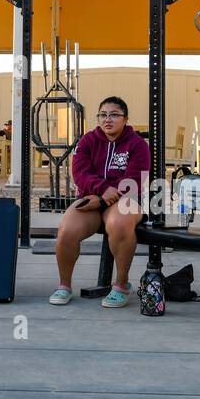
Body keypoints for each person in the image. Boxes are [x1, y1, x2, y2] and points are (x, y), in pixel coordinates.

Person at [50, 96, 150, 308]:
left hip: (126, 199)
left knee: (119, 224)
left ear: (125, 119)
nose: (108, 119)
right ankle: (64, 285)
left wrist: (103, 200)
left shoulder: (138, 145)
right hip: (92, 196)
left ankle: (121, 285)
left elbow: (133, 181)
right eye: (103, 115)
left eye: (114, 115)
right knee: (67, 230)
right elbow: (80, 174)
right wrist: (102, 191)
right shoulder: (87, 141)